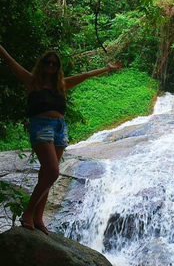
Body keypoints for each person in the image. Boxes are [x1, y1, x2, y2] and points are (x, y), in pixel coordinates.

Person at [0, 44, 120, 235]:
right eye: (47, 62)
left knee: (46, 174)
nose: (51, 66)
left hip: (60, 129)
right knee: (53, 172)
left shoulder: (61, 84)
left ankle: (38, 218)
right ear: (42, 64)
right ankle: (28, 213)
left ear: (58, 67)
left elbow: (86, 75)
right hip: (41, 126)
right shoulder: (32, 81)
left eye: (54, 63)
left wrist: (107, 69)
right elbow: (10, 61)